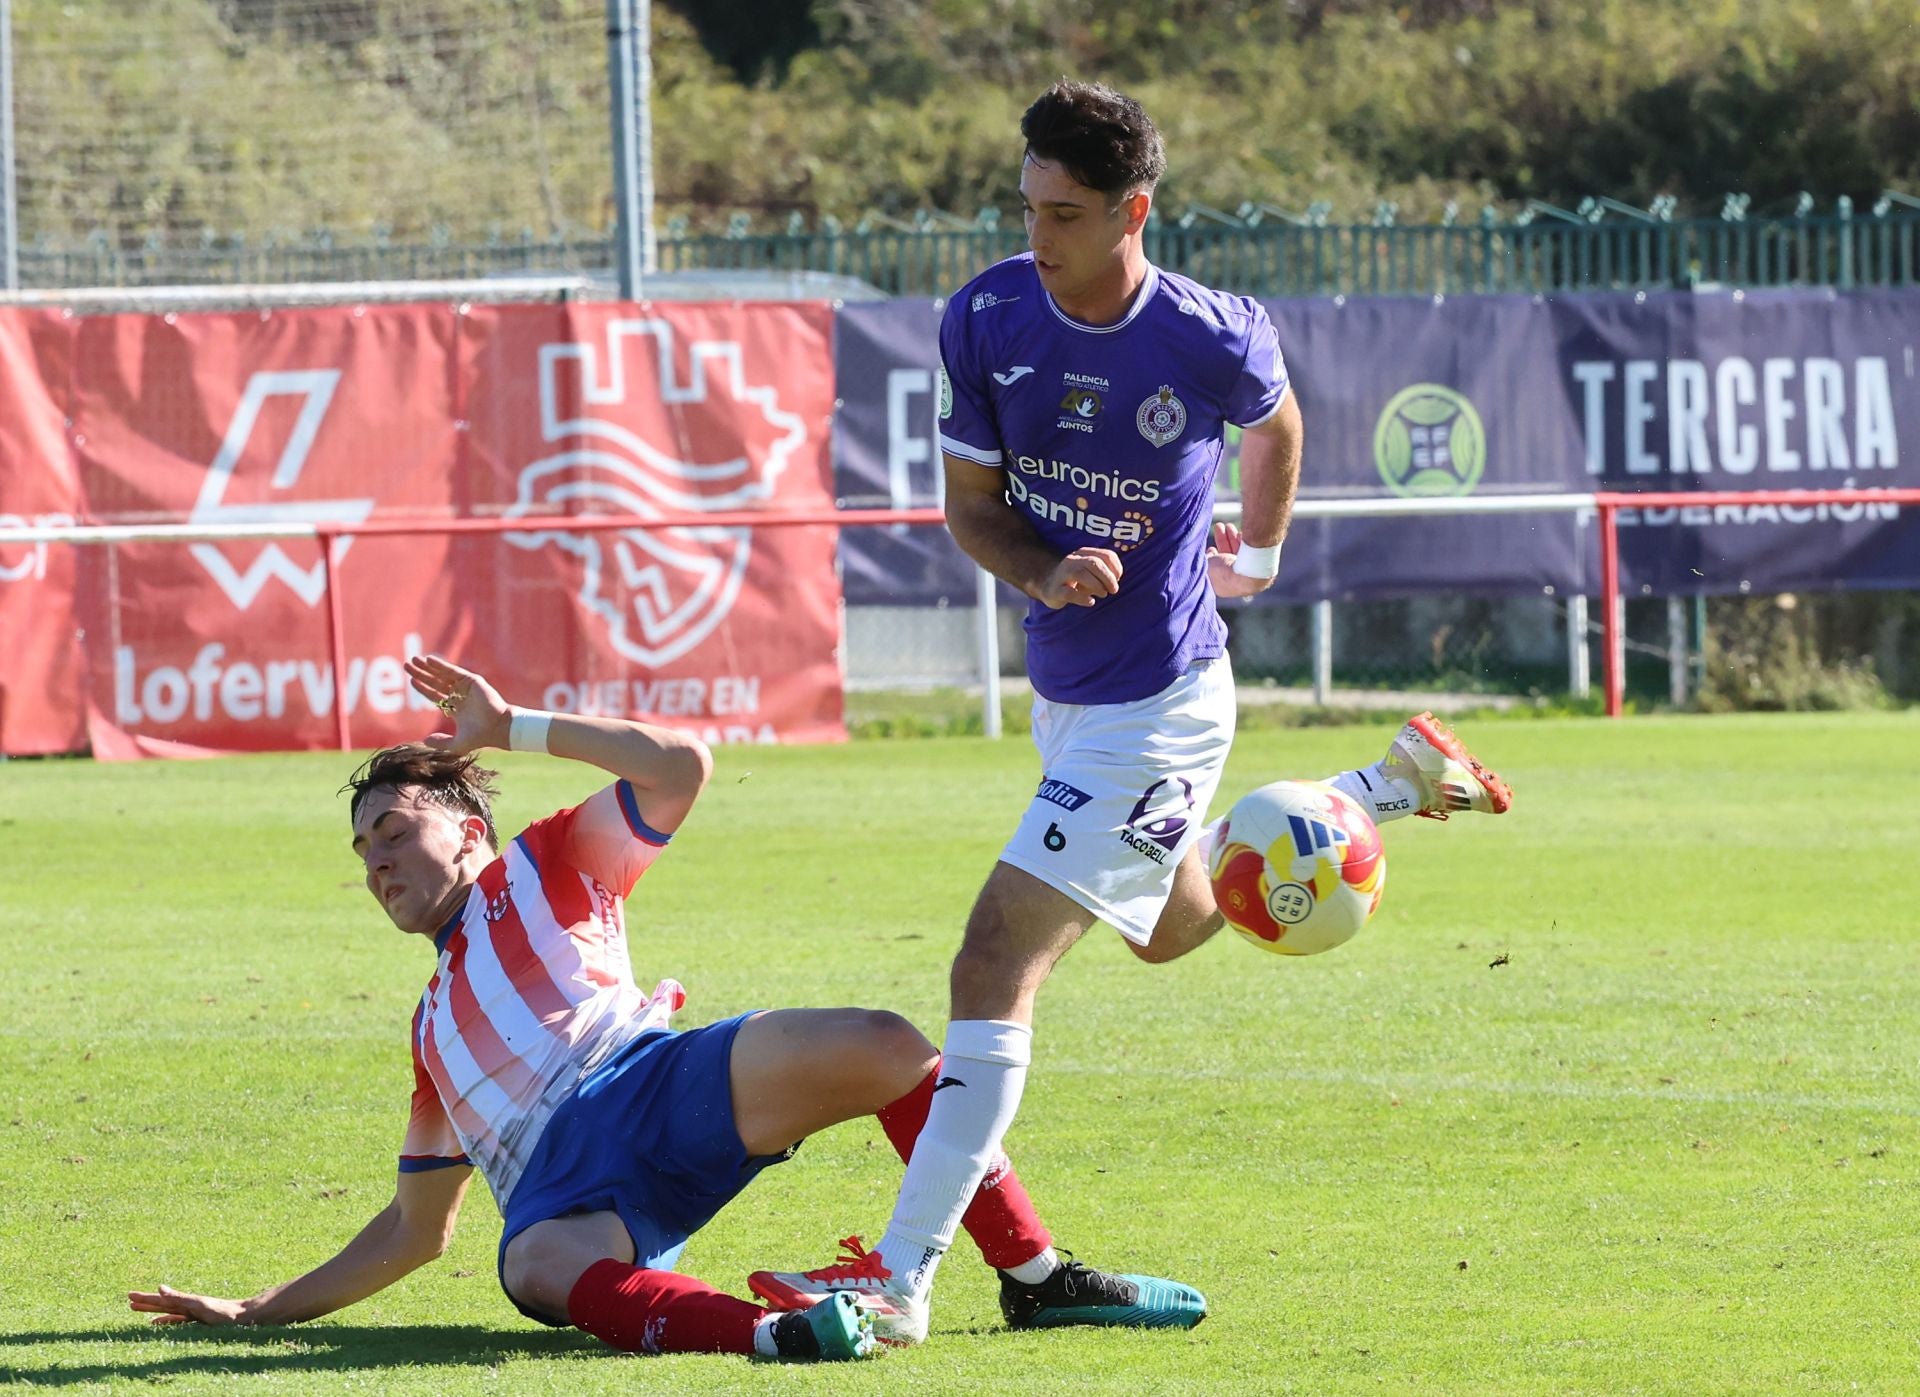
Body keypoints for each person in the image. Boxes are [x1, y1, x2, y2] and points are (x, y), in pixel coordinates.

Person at [750, 79, 1514, 1343]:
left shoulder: (1206, 334)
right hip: (1069, 688)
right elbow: (969, 507)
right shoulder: (986, 314)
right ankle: (1379, 788)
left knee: (992, 961)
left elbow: (1276, 424)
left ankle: (899, 1281)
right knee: (1167, 930)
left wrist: (1257, 554)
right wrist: (1044, 572)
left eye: (1065, 211)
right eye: (1027, 204)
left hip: (1159, 703)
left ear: (1132, 211)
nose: (1037, 232)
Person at [127, 655, 1200, 1362]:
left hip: (653, 1077)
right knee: (532, 1265)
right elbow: (417, 1231)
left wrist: (513, 723)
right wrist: (262, 1308)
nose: (378, 861)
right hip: (562, 1183)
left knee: (894, 1047)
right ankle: (781, 1336)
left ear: (465, 830)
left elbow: (683, 763)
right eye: (363, 848)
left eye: (395, 829)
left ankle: (1037, 1276)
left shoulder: (550, 860)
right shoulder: (426, 1030)